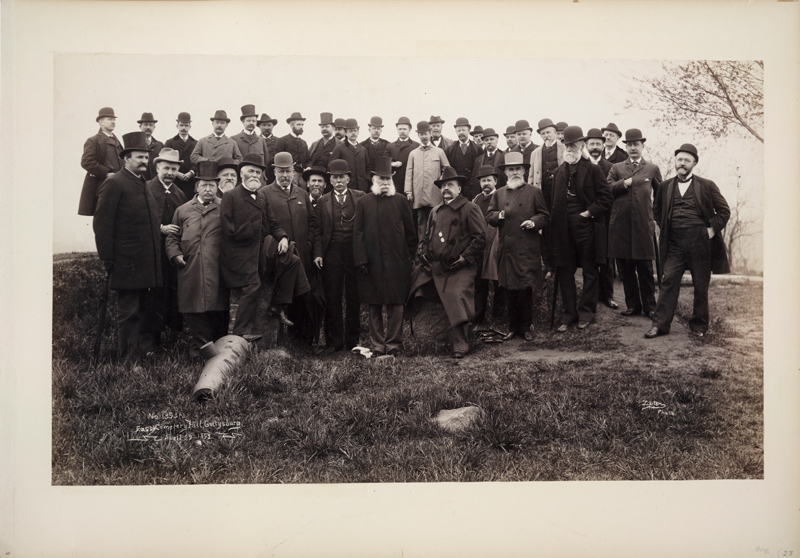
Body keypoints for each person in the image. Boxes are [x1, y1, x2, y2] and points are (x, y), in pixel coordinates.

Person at [646, 144, 730, 339]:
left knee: (701, 286)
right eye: (679, 159)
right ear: (675, 162)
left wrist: (711, 229)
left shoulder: (707, 185)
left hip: (700, 244)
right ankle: (660, 325)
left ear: (694, 163)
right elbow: (656, 210)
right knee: (668, 282)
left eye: (687, 160)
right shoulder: (665, 186)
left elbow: (724, 211)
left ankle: (698, 326)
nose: (682, 163)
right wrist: (665, 226)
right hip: (674, 244)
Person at [219, 154, 308, 341]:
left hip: (260, 252)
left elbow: (274, 223)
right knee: (254, 285)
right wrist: (253, 228)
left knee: (292, 260)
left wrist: (283, 237)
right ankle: (240, 333)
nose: (254, 175)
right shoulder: (231, 196)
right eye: (250, 171)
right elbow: (228, 231)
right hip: (239, 255)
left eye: (257, 172)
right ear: (241, 173)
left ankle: (278, 304)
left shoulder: (261, 197)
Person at [92, 131, 161, 366]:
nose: (144, 161)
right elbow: (102, 224)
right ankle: (128, 361)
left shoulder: (143, 184)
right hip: (126, 262)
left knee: (142, 310)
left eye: (146, 157)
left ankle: (139, 354)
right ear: (126, 158)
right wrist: (108, 258)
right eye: (139, 157)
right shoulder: (114, 182)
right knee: (129, 312)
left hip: (145, 262)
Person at [410, 167, 487, 358]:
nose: (446, 189)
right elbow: (426, 237)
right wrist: (425, 253)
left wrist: (464, 258)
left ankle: (461, 342)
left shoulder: (470, 208)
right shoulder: (435, 211)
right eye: (443, 186)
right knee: (417, 285)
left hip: (460, 267)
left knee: (455, 294)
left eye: (450, 185)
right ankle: (423, 333)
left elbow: (480, 238)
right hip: (436, 265)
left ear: (459, 189)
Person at [548, 126, 613, 332]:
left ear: (581, 146)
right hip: (563, 230)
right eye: (566, 145)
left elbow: (606, 198)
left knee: (590, 271)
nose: (569, 148)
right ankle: (569, 314)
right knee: (565, 272)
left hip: (587, 228)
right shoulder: (558, 172)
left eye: (573, 145)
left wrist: (588, 213)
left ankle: (586, 312)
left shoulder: (593, 169)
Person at [353, 156, 417, 356]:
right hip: (371, 263)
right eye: (381, 180)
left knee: (396, 304)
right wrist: (361, 260)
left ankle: (394, 344)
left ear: (392, 181)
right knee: (374, 304)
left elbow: (410, 232)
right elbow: (358, 234)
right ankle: (378, 345)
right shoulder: (363, 202)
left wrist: (409, 258)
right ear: (374, 181)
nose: (384, 183)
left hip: (397, 263)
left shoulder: (400, 201)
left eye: (388, 180)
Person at [164, 160, 229, 353]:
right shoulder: (183, 210)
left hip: (217, 267)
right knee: (193, 307)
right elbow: (172, 236)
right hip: (190, 268)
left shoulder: (225, 207)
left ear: (217, 187)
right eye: (204, 185)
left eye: (212, 185)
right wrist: (175, 254)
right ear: (196, 187)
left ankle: (216, 352)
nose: (208, 189)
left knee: (217, 306)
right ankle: (197, 349)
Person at [486, 152, 550, 341]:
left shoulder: (534, 192)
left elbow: (545, 216)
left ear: (524, 171)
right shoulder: (498, 194)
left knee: (525, 288)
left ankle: (526, 327)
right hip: (508, 248)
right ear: (505, 172)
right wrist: (499, 216)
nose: (514, 172)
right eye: (511, 169)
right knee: (510, 289)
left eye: (517, 169)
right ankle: (513, 327)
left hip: (527, 246)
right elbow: (489, 215)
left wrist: (533, 222)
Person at [312, 159, 366, 353]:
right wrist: (318, 254)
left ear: (349, 178)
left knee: (353, 296)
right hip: (332, 252)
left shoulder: (360, 197)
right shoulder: (322, 201)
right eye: (335, 177)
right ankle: (334, 341)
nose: (339, 181)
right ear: (330, 180)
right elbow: (317, 231)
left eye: (342, 177)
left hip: (353, 252)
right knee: (332, 295)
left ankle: (352, 340)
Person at [607, 128, 663, 318]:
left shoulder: (652, 168)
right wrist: (624, 183)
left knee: (645, 268)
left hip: (642, 225)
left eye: (635, 145)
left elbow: (660, 196)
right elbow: (607, 190)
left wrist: (654, 217)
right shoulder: (617, 168)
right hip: (621, 226)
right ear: (626, 147)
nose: (632, 148)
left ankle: (650, 307)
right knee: (626, 268)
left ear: (642, 146)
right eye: (629, 145)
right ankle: (633, 306)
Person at [262, 152, 317, 339]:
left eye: (289, 171)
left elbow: (312, 222)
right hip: (281, 255)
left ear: (294, 171)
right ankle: (282, 340)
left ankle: (302, 339)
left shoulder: (302, 193)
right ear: (274, 171)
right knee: (282, 294)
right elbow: (265, 225)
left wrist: (308, 243)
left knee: (302, 294)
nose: (285, 175)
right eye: (281, 171)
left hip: (302, 252)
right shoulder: (265, 193)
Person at [142, 148, 188, 349]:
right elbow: (138, 219)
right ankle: (150, 341)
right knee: (153, 295)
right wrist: (160, 228)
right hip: (152, 252)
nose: (169, 172)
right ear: (157, 167)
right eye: (166, 168)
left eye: (173, 168)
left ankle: (167, 334)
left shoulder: (180, 193)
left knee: (171, 292)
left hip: (171, 253)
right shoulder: (147, 189)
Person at [585, 127, 618, 310]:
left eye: (598, 143)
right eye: (592, 144)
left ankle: (608, 295)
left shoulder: (610, 167)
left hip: (605, 218)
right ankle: (591, 296)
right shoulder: (581, 165)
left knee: (606, 257)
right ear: (586, 146)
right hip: (586, 218)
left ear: (603, 145)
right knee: (588, 258)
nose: (595, 147)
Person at [471, 165, 506, 324]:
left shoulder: (500, 196)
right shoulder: (477, 199)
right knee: (479, 284)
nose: (486, 183)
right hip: (480, 245)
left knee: (498, 282)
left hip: (495, 244)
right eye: (483, 180)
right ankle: (478, 319)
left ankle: (498, 320)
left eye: (489, 180)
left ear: (495, 181)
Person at [404, 121, 450, 239]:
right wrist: (408, 191)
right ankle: (421, 250)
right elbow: (409, 173)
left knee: (436, 221)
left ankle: (434, 249)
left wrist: (442, 185)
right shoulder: (413, 154)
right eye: (421, 134)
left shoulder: (439, 152)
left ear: (430, 133)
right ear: (418, 135)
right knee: (421, 223)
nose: (423, 136)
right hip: (419, 195)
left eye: (425, 133)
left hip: (435, 194)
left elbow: (447, 170)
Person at [78, 107, 123, 216]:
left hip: (118, 185)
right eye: (109, 119)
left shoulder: (117, 141)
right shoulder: (94, 140)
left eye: (114, 119)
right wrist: (106, 173)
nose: (113, 122)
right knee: (103, 219)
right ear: (100, 122)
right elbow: (86, 161)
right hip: (102, 187)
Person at [232, 104, 271, 187]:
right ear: (243, 122)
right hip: (241, 181)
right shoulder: (234, 139)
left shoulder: (261, 140)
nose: (251, 123)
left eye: (253, 121)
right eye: (249, 121)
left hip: (260, 182)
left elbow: (266, 160)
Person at [445, 117, 483, 200]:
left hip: (472, 187)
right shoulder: (450, 149)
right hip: (456, 186)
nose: (461, 133)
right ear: (456, 132)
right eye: (459, 130)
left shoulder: (478, 149)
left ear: (469, 131)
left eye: (463, 130)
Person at [164, 112, 198, 199]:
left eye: (186, 125)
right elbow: (165, 160)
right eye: (181, 125)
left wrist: (191, 172)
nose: (183, 128)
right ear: (177, 126)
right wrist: (177, 173)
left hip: (190, 182)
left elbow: (198, 161)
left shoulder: (196, 143)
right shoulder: (170, 142)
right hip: (174, 181)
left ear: (190, 126)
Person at [330, 118, 370, 192]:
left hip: (362, 187)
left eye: (355, 130)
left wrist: (366, 180)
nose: (353, 133)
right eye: (350, 131)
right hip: (347, 187)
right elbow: (331, 167)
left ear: (358, 132)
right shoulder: (339, 149)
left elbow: (367, 168)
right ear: (345, 132)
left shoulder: (362, 149)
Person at [386, 116, 420, 194]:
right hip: (395, 182)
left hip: (411, 183)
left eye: (404, 129)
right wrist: (393, 164)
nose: (402, 131)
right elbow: (384, 162)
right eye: (400, 129)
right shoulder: (390, 146)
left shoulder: (416, 146)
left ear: (410, 130)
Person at [138, 112, 163, 180]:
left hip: (155, 182)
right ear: (140, 126)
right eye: (145, 124)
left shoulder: (160, 145)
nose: (148, 127)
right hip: (138, 181)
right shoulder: (135, 144)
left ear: (154, 127)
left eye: (150, 125)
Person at [257, 113, 279, 183]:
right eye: (264, 125)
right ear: (259, 126)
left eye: (269, 125)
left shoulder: (279, 141)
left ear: (273, 126)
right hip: (260, 174)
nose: (267, 128)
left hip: (274, 175)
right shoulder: (255, 141)